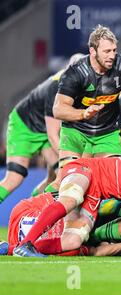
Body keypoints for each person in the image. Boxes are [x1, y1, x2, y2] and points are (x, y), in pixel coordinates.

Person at [48, 25, 121, 191]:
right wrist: (83, 113)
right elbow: (58, 109)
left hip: (107, 132)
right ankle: (40, 210)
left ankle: (94, 217)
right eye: (106, 51)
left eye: (114, 50)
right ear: (92, 51)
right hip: (76, 132)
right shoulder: (75, 72)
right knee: (66, 182)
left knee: (113, 183)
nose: (112, 56)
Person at [0, 53, 84, 204]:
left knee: (60, 176)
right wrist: (72, 159)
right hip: (24, 126)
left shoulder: (79, 85)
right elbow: (53, 134)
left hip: (44, 130)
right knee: (14, 177)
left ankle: (32, 208)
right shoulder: (58, 87)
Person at [3, 192, 121, 257]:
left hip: (21, 220)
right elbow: (95, 251)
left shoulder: (76, 244)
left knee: (72, 197)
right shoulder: (76, 245)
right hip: (21, 225)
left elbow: (95, 251)